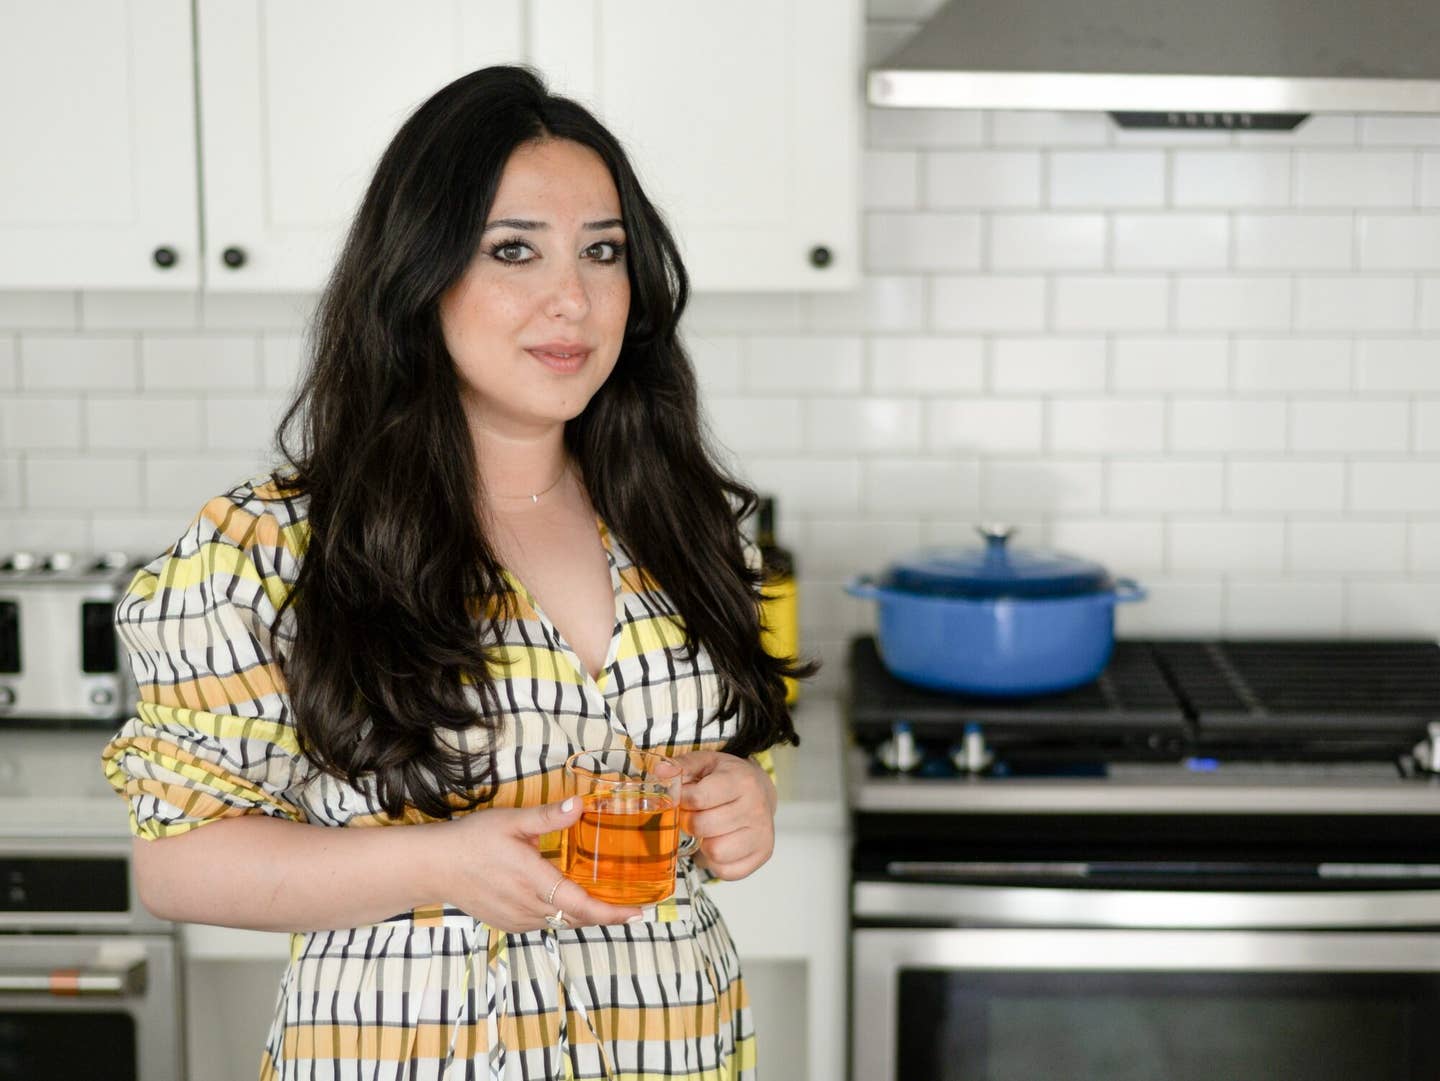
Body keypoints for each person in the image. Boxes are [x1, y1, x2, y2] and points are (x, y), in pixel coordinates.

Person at [101, 65, 813, 1081]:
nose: (572, 298)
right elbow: (176, 863)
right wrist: (438, 862)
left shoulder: (690, 524)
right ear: (418, 273)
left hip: (674, 1047)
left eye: (602, 251)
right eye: (513, 249)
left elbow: (726, 759)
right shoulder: (270, 551)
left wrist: (745, 799)